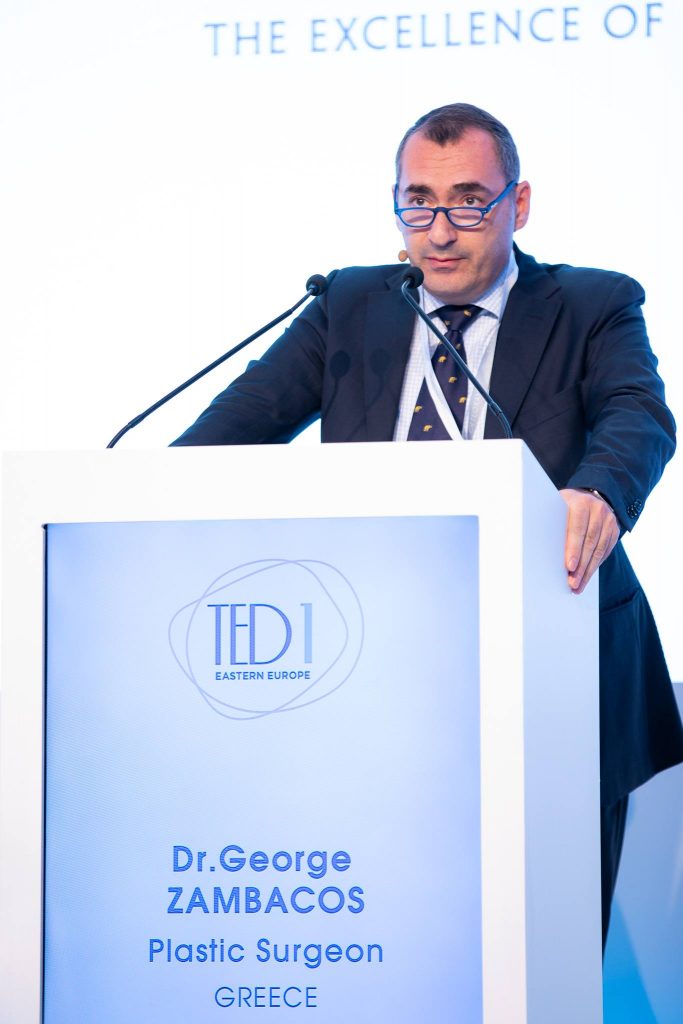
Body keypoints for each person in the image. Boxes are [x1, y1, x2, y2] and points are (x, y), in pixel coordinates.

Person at [173, 102, 683, 946]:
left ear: (518, 205)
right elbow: (227, 434)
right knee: (392, 942)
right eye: (418, 203)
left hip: (555, 667)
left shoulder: (591, 303)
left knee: (546, 945)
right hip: (375, 672)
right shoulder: (347, 304)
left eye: (469, 202)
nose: (439, 232)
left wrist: (597, 492)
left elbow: (637, 413)